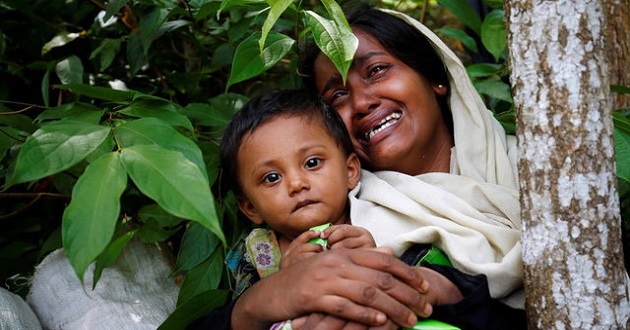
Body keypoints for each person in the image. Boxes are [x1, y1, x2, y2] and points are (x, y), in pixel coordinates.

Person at [189, 4, 525, 330]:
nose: (362, 102)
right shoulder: (333, 217)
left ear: (435, 77)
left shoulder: (536, 173)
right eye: (337, 96)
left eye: (377, 70)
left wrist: (442, 290)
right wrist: (259, 302)